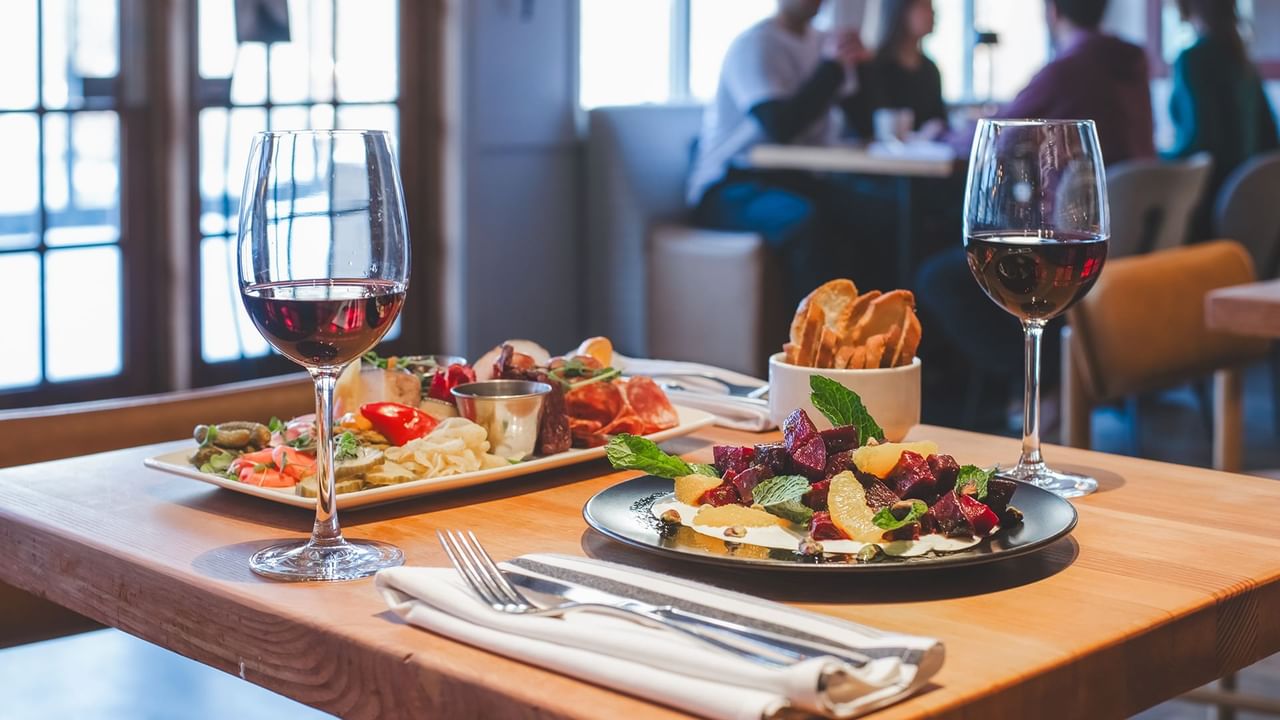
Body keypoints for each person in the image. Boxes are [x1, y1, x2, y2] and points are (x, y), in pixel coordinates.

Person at [915, 0, 1155, 428]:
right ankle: (1037, 390)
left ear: (1052, 12)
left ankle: (1034, 387)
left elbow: (999, 133)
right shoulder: (1130, 67)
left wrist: (945, 132)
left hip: (1075, 232)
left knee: (938, 276)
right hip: (1137, 239)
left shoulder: (1069, 68)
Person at [688, 0, 877, 307]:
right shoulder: (754, 45)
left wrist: (862, 66)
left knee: (871, 212)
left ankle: (873, 334)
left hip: (792, 177)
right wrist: (830, 67)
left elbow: (864, 123)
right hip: (729, 184)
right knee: (808, 222)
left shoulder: (823, 42)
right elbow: (780, 126)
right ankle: (813, 345)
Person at [1166, 0, 1278, 240]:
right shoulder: (1244, 63)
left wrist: (1154, 158)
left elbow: (1200, 144)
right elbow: (1271, 140)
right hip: (1249, 206)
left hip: (1207, 207)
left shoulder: (1193, 59)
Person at [843, 0, 949, 141]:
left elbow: (940, 121)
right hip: (877, 159)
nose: (933, 14)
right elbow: (863, 126)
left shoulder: (930, 69)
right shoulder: (873, 65)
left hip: (923, 159)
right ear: (901, 11)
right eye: (924, 7)